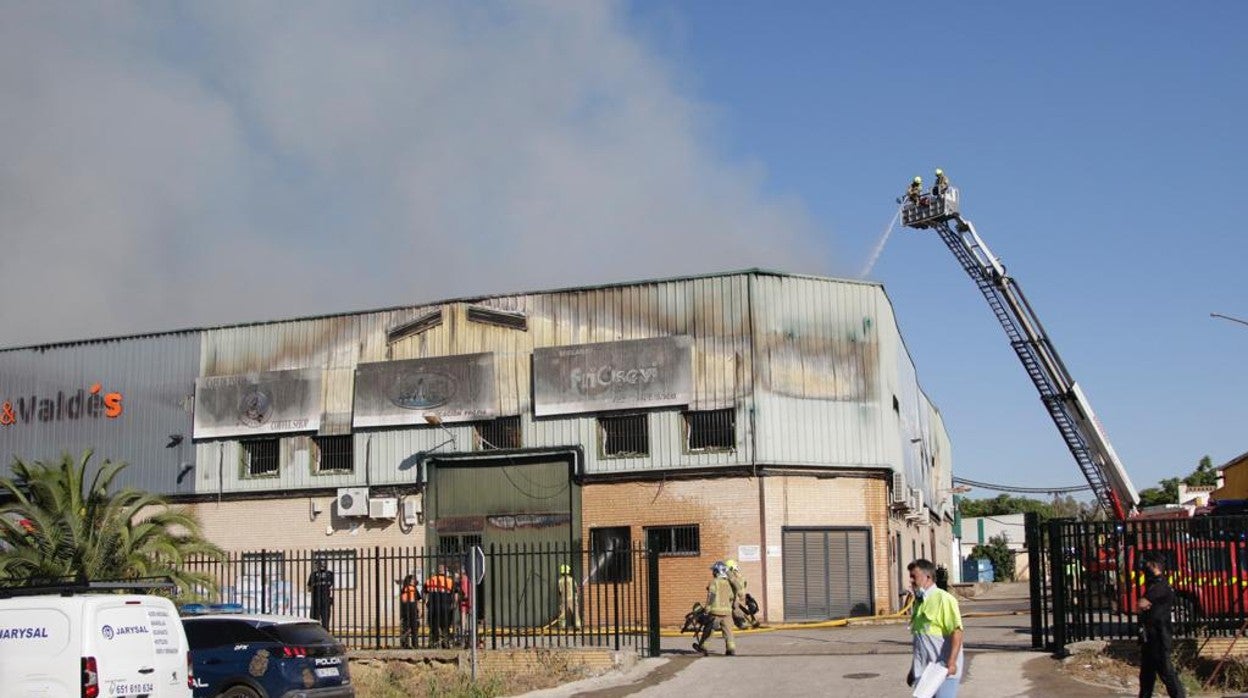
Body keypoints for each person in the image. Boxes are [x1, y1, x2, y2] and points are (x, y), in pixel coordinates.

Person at [907, 558, 963, 698]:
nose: (911, 581)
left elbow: (957, 632)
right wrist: (913, 670)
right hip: (925, 673)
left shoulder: (944, 599)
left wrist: (952, 662)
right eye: (911, 577)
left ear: (927, 577)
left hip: (942, 671)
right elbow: (920, 642)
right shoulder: (919, 602)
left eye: (914, 576)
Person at [1137, 552, 1186, 698]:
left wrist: (1143, 604)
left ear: (1153, 565)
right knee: (1146, 675)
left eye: (1146, 564)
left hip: (1159, 635)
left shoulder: (1161, 587)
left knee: (1166, 672)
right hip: (1150, 636)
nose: (1144, 567)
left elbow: (1141, 604)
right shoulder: (1154, 585)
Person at [693, 561, 736, 656]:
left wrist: (707, 608)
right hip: (727, 613)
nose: (713, 573)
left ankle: (703, 646)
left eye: (714, 571)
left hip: (715, 612)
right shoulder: (728, 583)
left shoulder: (713, 582)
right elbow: (731, 596)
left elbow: (711, 595)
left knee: (709, 630)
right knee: (728, 632)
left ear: (718, 571)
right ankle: (731, 649)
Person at [423, 564, 456, 648]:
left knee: (433, 626)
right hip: (446, 607)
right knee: (445, 626)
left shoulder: (430, 580)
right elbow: (455, 594)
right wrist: (454, 604)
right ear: (445, 571)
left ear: (438, 571)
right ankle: (445, 642)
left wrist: (426, 603)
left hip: (433, 607)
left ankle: (433, 643)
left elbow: (424, 593)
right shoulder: (449, 581)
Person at [306, 560, 334, 630]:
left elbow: (309, 588)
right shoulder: (330, 574)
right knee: (325, 620)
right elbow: (331, 586)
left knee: (315, 620)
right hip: (326, 599)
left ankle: (316, 633)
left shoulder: (313, 574)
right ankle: (326, 633)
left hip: (316, 600)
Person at [724, 559, 752, 629]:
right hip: (735, 595)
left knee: (735, 608)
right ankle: (744, 622)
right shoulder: (738, 575)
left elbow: (737, 584)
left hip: (734, 595)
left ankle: (743, 622)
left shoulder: (734, 576)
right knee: (735, 608)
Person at [397, 573, 421, 649]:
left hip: (406, 611)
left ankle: (405, 644)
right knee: (415, 627)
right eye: (413, 579)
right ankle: (415, 644)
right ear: (410, 580)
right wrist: (419, 610)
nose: (414, 581)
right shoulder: (413, 589)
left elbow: (403, 601)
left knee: (406, 627)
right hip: (413, 610)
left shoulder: (404, 588)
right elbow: (417, 601)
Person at [556, 563, 581, 629]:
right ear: (568, 571)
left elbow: (559, 591)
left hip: (564, 599)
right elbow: (576, 590)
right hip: (572, 599)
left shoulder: (560, 581)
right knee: (575, 613)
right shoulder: (572, 579)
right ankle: (578, 626)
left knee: (563, 613)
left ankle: (562, 626)